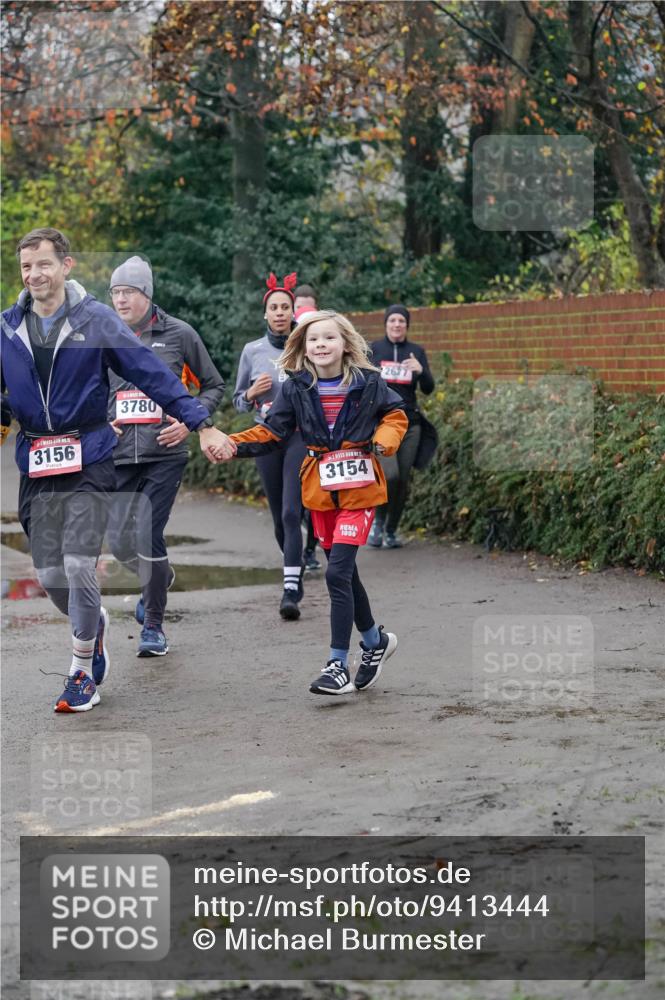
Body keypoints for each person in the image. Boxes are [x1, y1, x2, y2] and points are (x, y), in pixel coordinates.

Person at [0, 228, 235, 714]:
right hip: (37, 459)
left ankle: (81, 670)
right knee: (49, 574)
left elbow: (153, 374)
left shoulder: (97, 321)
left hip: (89, 454)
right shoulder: (7, 329)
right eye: (26, 266)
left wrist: (202, 424)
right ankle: (96, 626)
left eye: (43, 264)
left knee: (79, 563)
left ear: (66, 266)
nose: (34, 274)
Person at [226, 310, 408, 696]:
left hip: (359, 491)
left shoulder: (369, 382)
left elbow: (395, 413)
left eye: (328, 338)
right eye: (312, 339)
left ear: (345, 344)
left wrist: (386, 439)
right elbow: (273, 432)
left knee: (336, 574)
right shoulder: (295, 388)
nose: (320, 345)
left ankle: (337, 664)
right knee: (346, 573)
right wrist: (233, 444)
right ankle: (375, 642)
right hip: (322, 493)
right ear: (302, 347)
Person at [106, 256, 226, 657]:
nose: (120, 300)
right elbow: (88, 392)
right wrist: (102, 422)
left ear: (146, 294)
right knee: (120, 540)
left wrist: (190, 422)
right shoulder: (103, 335)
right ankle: (160, 576)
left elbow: (213, 385)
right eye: (115, 293)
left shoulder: (178, 333)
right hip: (117, 455)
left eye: (128, 292)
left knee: (147, 534)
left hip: (165, 454)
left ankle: (153, 626)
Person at [233, 273, 306, 620]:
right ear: (265, 314)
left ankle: (290, 588)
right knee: (279, 517)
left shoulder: (306, 346)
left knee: (293, 512)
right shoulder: (252, 351)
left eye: (285, 307)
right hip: (265, 437)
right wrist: (250, 393)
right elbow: (237, 403)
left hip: (299, 437)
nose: (279, 312)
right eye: (274, 307)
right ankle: (294, 565)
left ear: (293, 311)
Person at [367, 304, 437, 548]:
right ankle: (378, 522)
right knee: (391, 476)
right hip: (382, 423)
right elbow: (361, 383)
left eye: (401, 321)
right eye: (392, 321)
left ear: (407, 325)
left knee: (403, 480)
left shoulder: (416, 351)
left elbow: (428, 388)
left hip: (411, 424)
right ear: (386, 324)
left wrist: (421, 371)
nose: (397, 325)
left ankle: (391, 531)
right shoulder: (374, 349)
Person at [293, 283, 321, 572]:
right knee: (297, 503)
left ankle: (311, 550)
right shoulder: (289, 361)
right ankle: (296, 550)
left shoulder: (329, 353)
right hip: (292, 440)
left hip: (321, 442)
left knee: (316, 499)